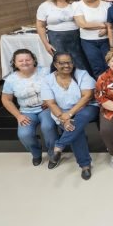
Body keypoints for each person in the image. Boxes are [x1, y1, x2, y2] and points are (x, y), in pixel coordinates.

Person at [42, 52, 98, 180]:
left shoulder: (82, 74)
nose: (67, 65)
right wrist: (63, 117)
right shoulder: (47, 80)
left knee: (79, 119)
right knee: (74, 129)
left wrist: (70, 114)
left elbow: (87, 97)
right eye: (62, 63)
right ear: (55, 64)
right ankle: (85, 165)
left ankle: (59, 145)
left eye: (69, 62)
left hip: (86, 108)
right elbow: (50, 103)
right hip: (61, 112)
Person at [1, 49, 57, 166]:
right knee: (24, 134)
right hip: (26, 111)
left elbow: (58, 86)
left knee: (48, 126)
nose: (25, 62)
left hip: (46, 108)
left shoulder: (46, 72)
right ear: (15, 63)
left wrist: (51, 100)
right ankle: (36, 153)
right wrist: (18, 116)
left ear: (34, 60)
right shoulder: (11, 79)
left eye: (28, 59)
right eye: (20, 61)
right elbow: (6, 99)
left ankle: (53, 153)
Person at [36, 0, 88, 71]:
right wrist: (46, 44)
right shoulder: (45, 6)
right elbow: (40, 26)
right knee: (61, 62)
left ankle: (81, 83)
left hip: (75, 37)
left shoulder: (75, 4)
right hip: (56, 38)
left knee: (79, 61)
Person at [73, 0, 111, 78]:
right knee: (97, 67)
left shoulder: (106, 5)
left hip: (106, 40)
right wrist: (103, 25)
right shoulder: (77, 5)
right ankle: (102, 90)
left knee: (110, 65)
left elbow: (112, 22)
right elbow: (82, 24)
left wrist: (107, 28)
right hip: (88, 42)